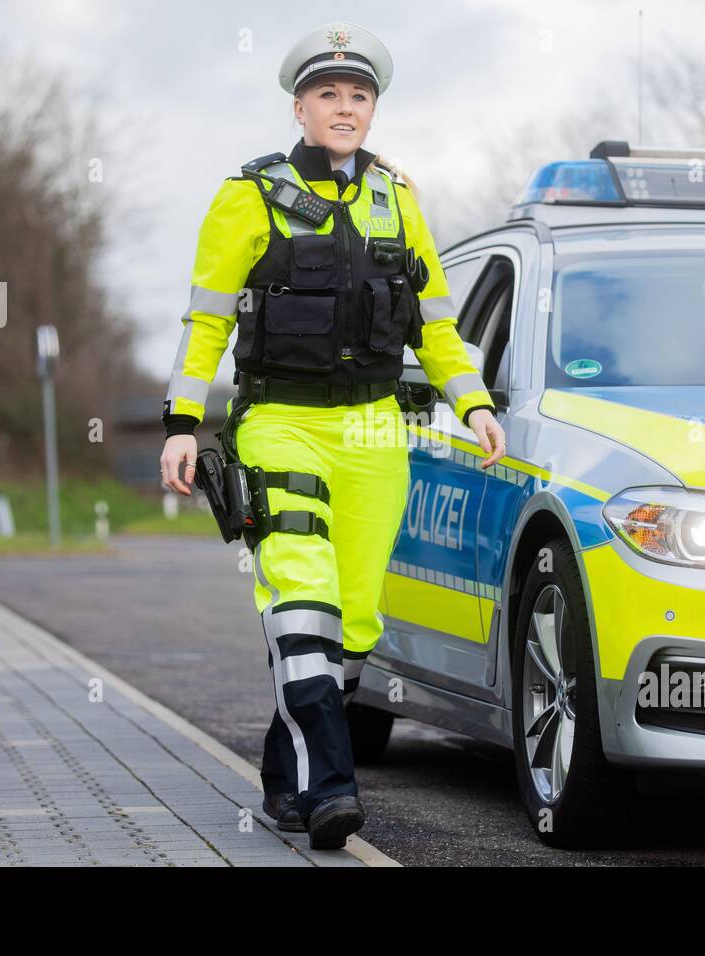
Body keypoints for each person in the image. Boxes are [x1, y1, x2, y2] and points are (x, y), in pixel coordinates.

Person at [158, 20, 506, 850]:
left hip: (376, 435)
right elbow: (204, 321)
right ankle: (331, 793)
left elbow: (436, 325)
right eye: (328, 95)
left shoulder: (399, 197)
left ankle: (287, 781)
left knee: (350, 628)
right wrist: (181, 423)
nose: (344, 108)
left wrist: (474, 401)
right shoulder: (247, 196)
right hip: (280, 425)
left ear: (372, 109)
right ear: (299, 106)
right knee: (300, 599)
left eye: (358, 96)